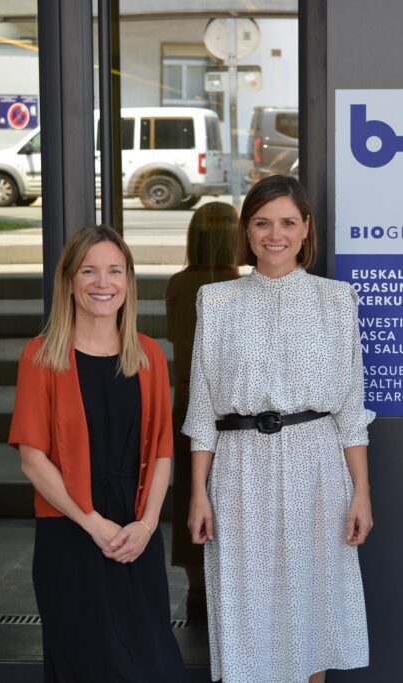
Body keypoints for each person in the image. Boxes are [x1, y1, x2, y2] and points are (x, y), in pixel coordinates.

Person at [184, 175, 374, 683]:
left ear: (306, 228)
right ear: (246, 231)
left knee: (313, 613)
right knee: (247, 610)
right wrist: (198, 493)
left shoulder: (337, 300)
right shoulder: (216, 300)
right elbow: (202, 409)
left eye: (288, 222)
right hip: (240, 471)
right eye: (263, 223)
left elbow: (350, 410)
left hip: (317, 470)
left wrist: (361, 492)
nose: (276, 235)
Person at [8, 224, 187, 681]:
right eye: (88, 271)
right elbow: (32, 459)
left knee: (154, 666)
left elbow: (162, 453)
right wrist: (93, 523)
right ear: (69, 281)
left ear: (128, 280)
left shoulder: (148, 356)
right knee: (86, 666)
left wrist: (146, 526)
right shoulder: (41, 357)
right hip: (71, 535)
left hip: (135, 534)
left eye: (114, 271)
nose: (102, 283)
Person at [164, 202, 241, 622]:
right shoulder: (239, 287)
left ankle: (196, 588)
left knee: (190, 494)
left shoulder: (178, 283)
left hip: (186, 396)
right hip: (231, 406)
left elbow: (174, 336)